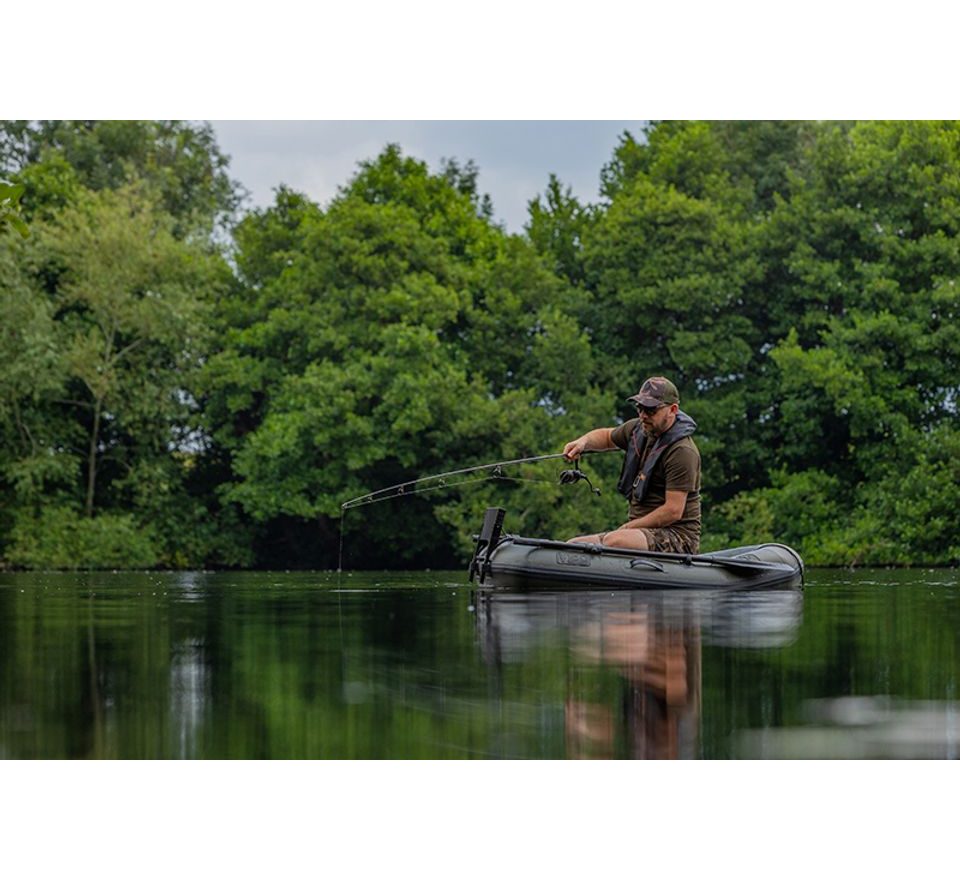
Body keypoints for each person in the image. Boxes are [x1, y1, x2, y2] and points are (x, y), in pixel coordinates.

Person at [562, 376, 701, 553]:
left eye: (651, 410)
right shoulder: (639, 429)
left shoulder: (682, 451)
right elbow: (606, 437)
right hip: (638, 532)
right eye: (640, 408)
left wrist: (629, 528)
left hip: (678, 536)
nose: (643, 415)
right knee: (572, 545)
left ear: (672, 410)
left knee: (616, 540)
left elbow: (673, 511)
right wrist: (583, 442)